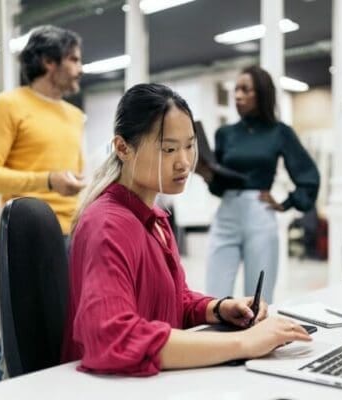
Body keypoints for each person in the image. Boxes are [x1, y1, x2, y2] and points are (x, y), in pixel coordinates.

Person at [60, 83, 311, 376]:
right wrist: (244, 343)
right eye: (168, 149)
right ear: (123, 148)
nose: (184, 162)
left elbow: (170, 299)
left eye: (190, 146)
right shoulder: (108, 225)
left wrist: (217, 308)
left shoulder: (155, 218)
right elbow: (113, 338)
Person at [0, 25, 85, 383]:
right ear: (48, 62)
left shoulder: (74, 116)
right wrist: (47, 179)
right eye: (73, 59)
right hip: (27, 238)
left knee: (60, 336)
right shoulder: (8, 105)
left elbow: (74, 175)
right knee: (16, 341)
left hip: (72, 235)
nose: (80, 67)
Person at [201, 66, 320, 303]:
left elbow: (308, 175)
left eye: (245, 90)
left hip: (260, 215)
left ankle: (256, 338)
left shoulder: (279, 132)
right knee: (214, 296)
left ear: (262, 94)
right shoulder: (225, 134)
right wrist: (207, 174)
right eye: (235, 90)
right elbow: (219, 185)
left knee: (258, 298)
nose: (237, 95)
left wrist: (287, 203)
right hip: (226, 214)